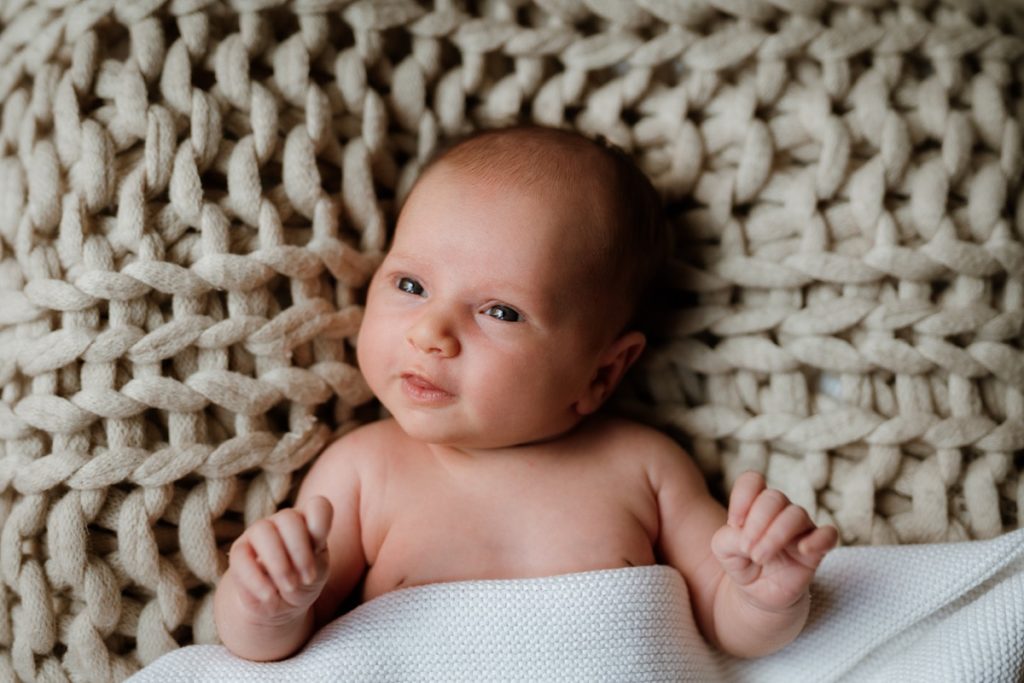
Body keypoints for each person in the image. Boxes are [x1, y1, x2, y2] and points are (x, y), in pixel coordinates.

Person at [212, 125, 838, 663]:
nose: (430, 334)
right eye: (410, 285)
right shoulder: (364, 470)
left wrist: (764, 596)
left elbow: (730, 629)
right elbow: (277, 651)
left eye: (501, 312)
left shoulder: (644, 466)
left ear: (602, 373)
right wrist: (267, 604)